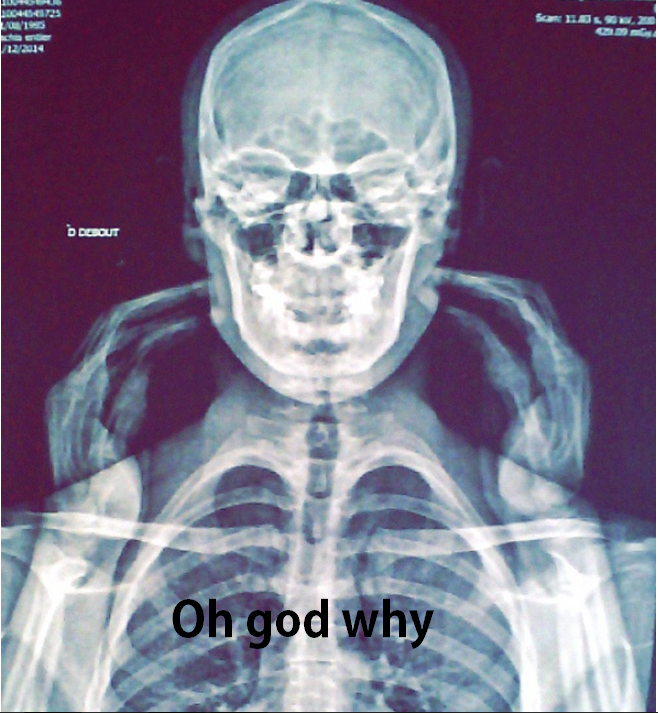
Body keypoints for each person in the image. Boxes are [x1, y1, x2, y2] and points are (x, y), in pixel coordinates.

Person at [2, 1, 654, 710]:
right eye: (262, 188)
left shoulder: (618, 580)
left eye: (376, 191)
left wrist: (73, 567)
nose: (317, 243)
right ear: (200, 216)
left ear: (444, 219)